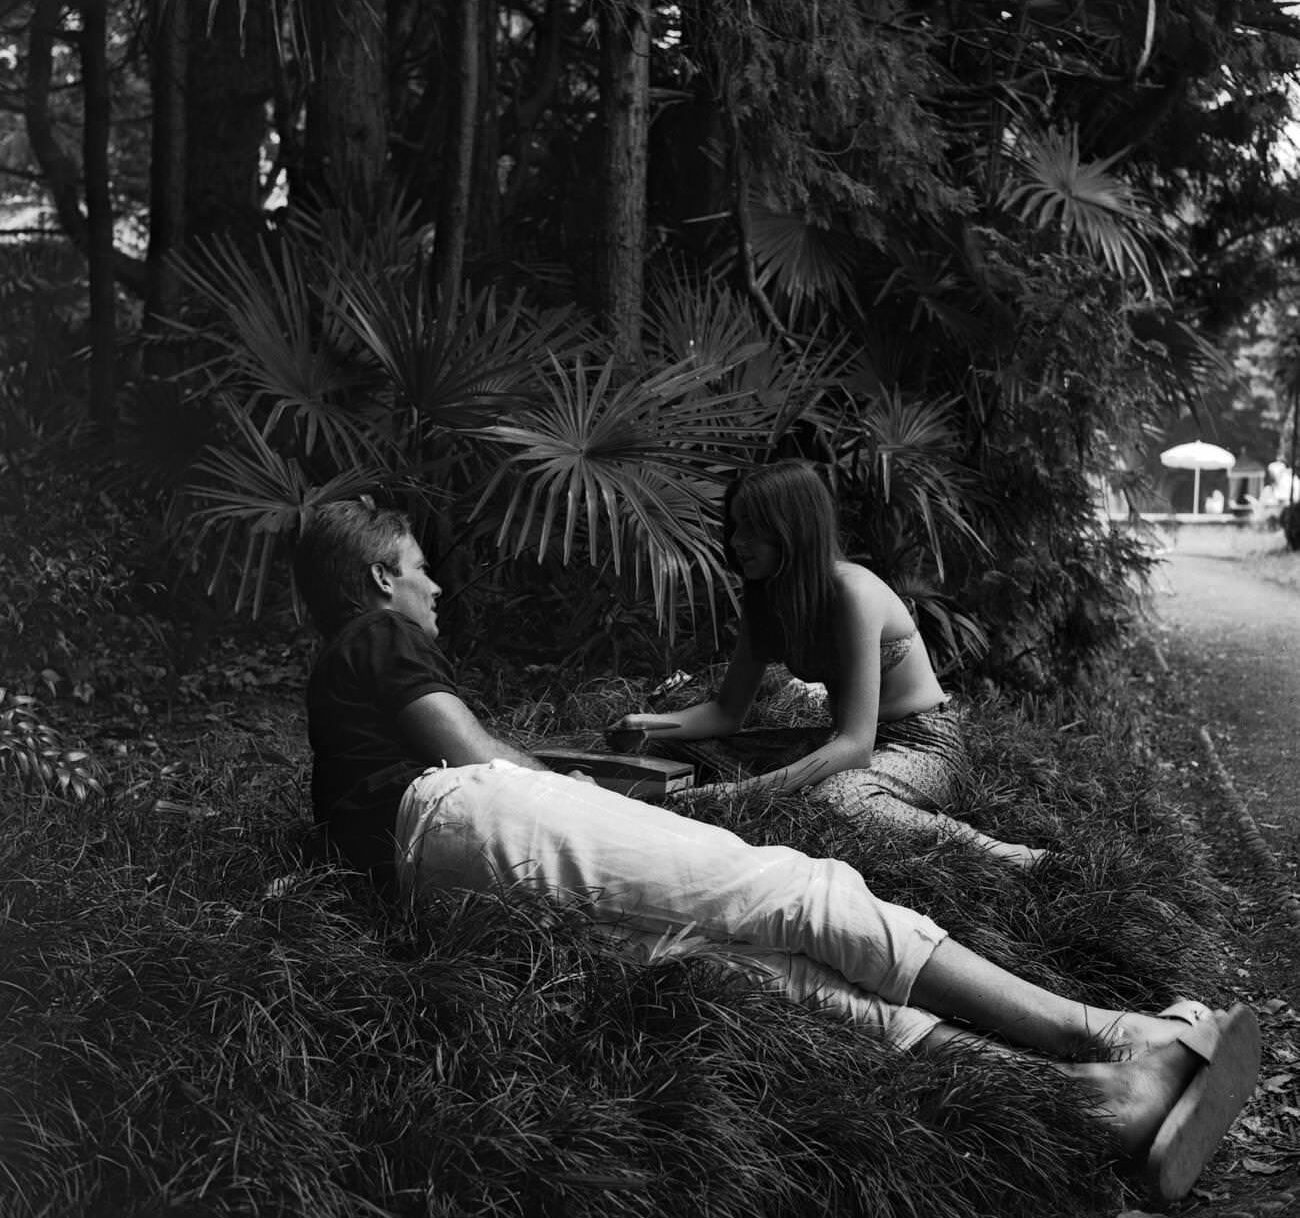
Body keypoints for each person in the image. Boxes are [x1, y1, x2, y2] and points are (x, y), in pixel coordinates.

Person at [293, 497, 1259, 1206]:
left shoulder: (339, 682)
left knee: (786, 978)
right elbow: (475, 761)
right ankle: (1111, 1033)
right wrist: (572, 787)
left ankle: (1093, 1102)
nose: (435, 583)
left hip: (435, 879)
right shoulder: (378, 635)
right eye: (419, 565)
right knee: (792, 888)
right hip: (464, 816)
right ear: (379, 579)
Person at [608, 460, 1044, 867]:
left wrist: (742, 792)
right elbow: (726, 713)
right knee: (673, 750)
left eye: (753, 528)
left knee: (838, 798)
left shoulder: (854, 594)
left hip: (920, 745)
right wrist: (649, 724)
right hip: (838, 739)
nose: (738, 541)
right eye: (736, 526)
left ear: (792, 528)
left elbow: (856, 746)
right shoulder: (766, 600)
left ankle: (1000, 852)